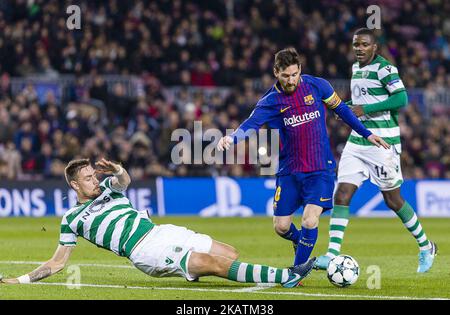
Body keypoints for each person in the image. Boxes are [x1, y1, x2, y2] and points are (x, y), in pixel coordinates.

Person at [0, 158, 315, 288]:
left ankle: (194, 268)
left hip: (160, 231)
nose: (94, 180)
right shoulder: (72, 220)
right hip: (144, 251)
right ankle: (287, 275)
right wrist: (18, 282)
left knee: (228, 254)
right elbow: (56, 263)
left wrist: (117, 169)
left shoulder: (109, 188)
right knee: (213, 264)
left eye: (94, 174)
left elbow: (124, 179)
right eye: (87, 178)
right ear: (73, 185)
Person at [217, 47, 389, 267]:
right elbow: (250, 125)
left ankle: (298, 270)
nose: (291, 80)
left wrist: (367, 133)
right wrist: (232, 138)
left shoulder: (317, 86)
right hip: (289, 170)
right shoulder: (270, 101)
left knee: (310, 218)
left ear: (300, 70)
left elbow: (342, 110)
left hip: (320, 169)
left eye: (295, 74)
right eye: (286, 76)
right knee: (281, 227)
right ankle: (301, 242)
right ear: (276, 73)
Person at [315, 28, 437, 273]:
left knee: (392, 200)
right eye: (355, 44)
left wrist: (365, 109)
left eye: (364, 44)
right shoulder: (356, 69)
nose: (358, 48)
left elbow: (401, 99)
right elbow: (362, 102)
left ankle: (426, 246)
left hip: (383, 143)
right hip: (358, 141)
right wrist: (348, 110)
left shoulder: (386, 69)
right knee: (342, 194)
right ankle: (331, 254)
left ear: (375, 47)